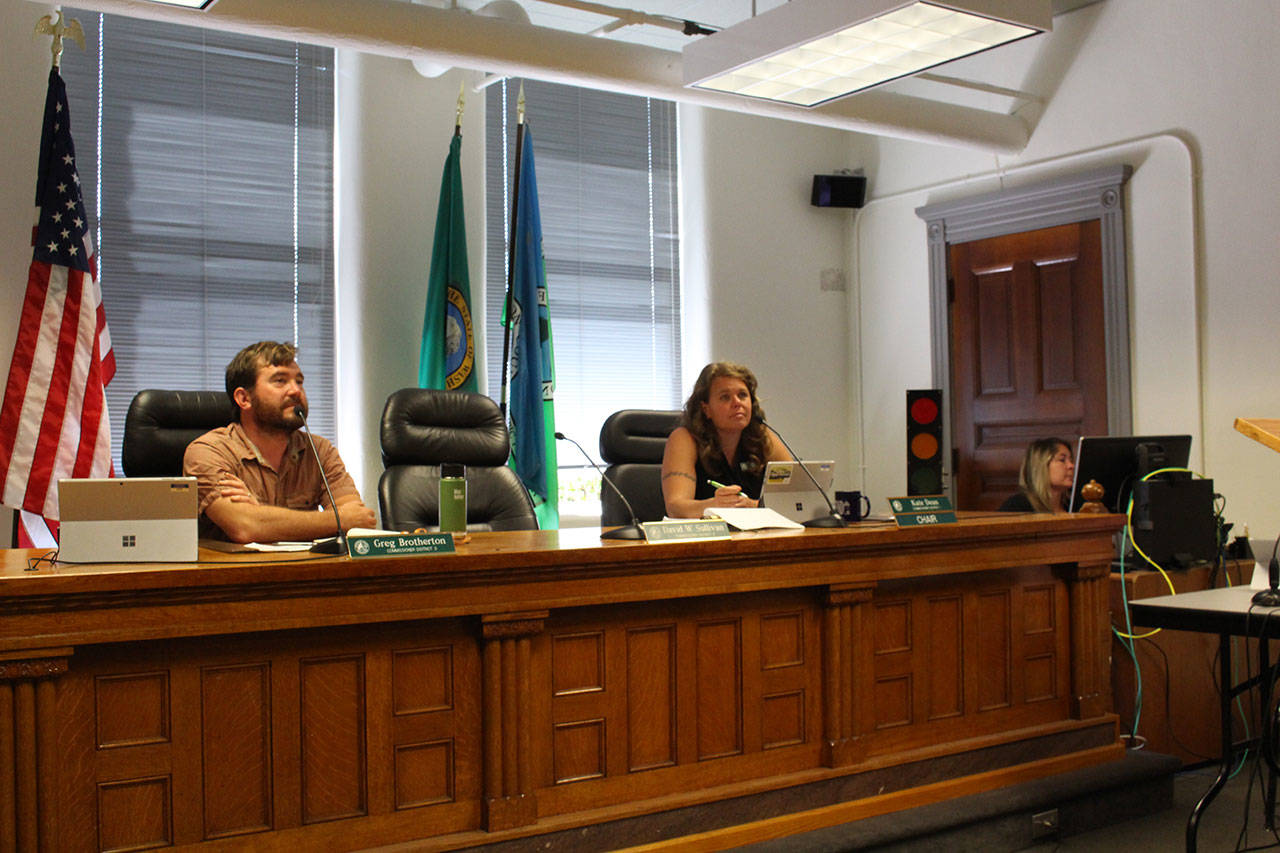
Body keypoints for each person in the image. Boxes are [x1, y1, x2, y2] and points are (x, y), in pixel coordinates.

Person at [183, 341, 377, 542]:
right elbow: (245, 527)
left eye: (299, 381)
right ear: (244, 399)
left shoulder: (320, 450)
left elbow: (358, 521)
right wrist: (338, 520)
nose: (295, 391)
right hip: (234, 572)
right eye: (280, 381)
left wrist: (261, 513)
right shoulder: (209, 451)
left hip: (309, 569)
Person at [661, 362, 792, 519]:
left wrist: (755, 506)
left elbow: (793, 496)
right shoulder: (685, 439)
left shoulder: (763, 436)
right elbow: (676, 507)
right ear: (706, 409)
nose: (737, 403)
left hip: (754, 536)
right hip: (703, 538)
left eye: (742, 395)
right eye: (725, 397)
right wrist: (714, 506)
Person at [998, 437, 1075, 514]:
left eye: (1071, 460)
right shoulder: (1018, 506)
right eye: (1062, 460)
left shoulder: (1074, 505)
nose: (1071, 466)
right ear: (1041, 466)